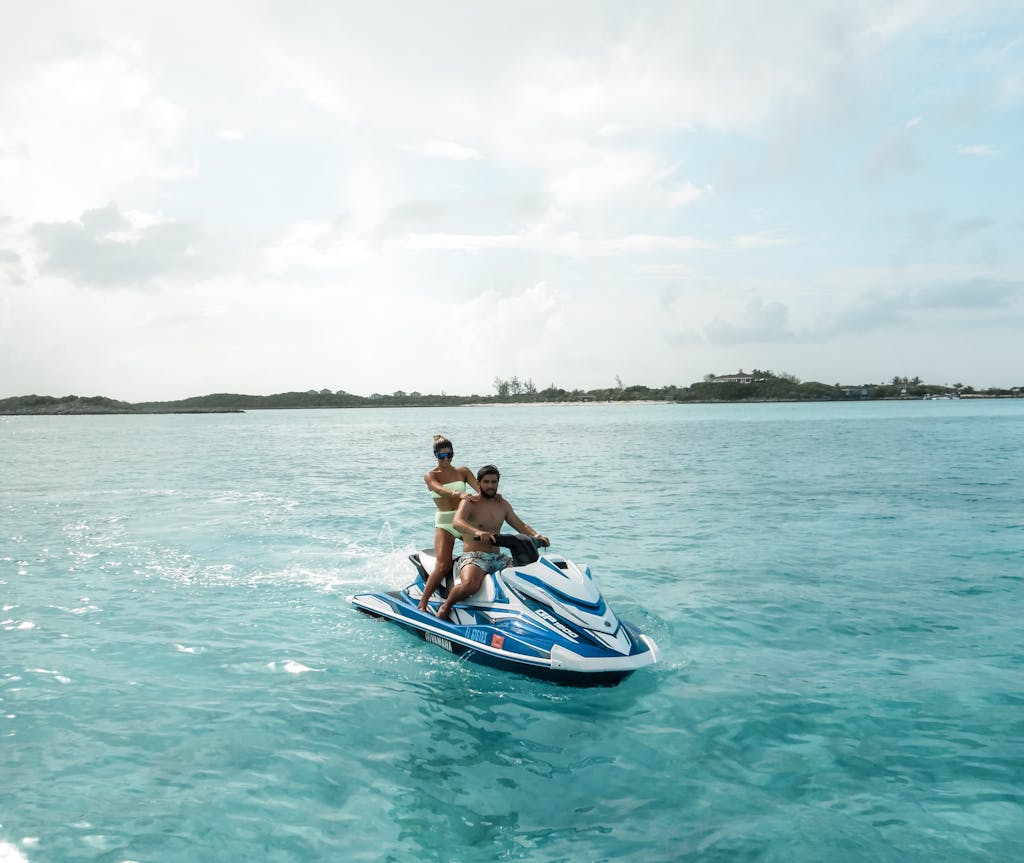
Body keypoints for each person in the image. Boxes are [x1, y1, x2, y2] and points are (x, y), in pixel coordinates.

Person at [436, 464, 550, 620]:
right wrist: (477, 531)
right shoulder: (470, 502)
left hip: (498, 557)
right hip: (474, 557)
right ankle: (445, 607)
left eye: (494, 482)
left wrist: (537, 536)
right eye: (486, 482)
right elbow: (457, 522)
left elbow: (520, 525)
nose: (490, 486)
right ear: (479, 483)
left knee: (528, 575)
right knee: (470, 584)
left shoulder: (502, 504)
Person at [418, 435, 479, 611]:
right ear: (435, 455)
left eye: (449, 455)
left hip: (463, 520)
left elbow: (480, 490)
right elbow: (439, 489)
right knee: (443, 564)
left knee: (484, 551)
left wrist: (493, 496)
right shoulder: (431, 475)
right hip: (445, 524)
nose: (446, 459)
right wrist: (458, 494)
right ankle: (423, 603)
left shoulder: (463, 472)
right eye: (442, 456)